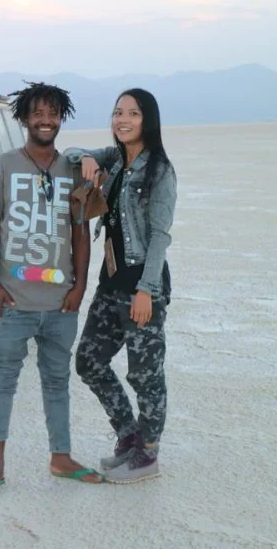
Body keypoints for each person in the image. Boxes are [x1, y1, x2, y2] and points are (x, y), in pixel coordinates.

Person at [0, 82, 105, 499]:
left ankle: (60, 457)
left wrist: (81, 286)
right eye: (38, 114)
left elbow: (81, 232)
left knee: (57, 382)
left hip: (61, 302)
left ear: (61, 119)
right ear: (24, 118)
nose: (46, 121)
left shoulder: (73, 169)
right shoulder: (2, 166)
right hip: (11, 301)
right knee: (3, 381)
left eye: (54, 114)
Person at [65, 88, 177, 484]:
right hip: (109, 285)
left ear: (148, 120)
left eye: (132, 113)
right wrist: (88, 157)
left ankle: (148, 453)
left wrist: (147, 291)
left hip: (142, 287)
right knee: (89, 363)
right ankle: (129, 435)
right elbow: (70, 154)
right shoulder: (114, 159)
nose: (122, 119)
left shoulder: (159, 169)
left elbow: (161, 235)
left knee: (146, 373)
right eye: (117, 113)